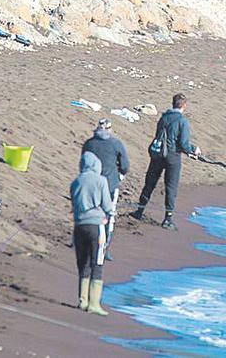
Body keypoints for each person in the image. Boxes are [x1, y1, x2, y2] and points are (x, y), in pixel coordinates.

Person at [130, 93, 200, 231]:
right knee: (171, 187)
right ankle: (167, 219)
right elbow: (184, 144)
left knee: (150, 182)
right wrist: (194, 149)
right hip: (172, 157)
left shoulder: (163, 118)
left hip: (158, 154)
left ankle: (139, 210)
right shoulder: (182, 121)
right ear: (184, 106)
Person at [70, 151, 115, 316]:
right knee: (97, 262)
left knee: (83, 263)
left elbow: (74, 205)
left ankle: (83, 301)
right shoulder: (101, 181)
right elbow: (108, 206)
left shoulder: (75, 182)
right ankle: (94, 303)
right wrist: (107, 215)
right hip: (96, 227)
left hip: (79, 227)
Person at [81, 118, 129, 260]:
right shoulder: (116, 144)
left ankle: (86, 243)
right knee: (108, 217)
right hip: (109, 185)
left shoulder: (89, 144)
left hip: (90, 184)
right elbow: (125, 166)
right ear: (110, 130)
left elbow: (83, 162)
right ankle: (104, 248)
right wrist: (120, 174)